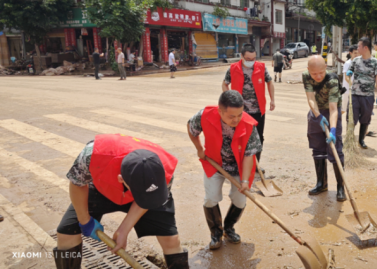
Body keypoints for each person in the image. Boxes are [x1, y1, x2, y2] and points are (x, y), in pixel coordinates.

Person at [53, 134, 188, 269]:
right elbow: (77, 184)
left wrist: (124, 229)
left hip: (145, 193)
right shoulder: (91, 155)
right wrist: (84, 220)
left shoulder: (163, 169)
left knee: (171, 240)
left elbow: (147, 201)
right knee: (66, 234)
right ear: (121, 179)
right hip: (101, 187)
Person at [187, 90, 262, 250]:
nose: (236, 120)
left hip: (239, 167)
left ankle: (229, 228)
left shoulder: (249, 125)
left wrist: (244, 181)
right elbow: (191, 127)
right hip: (214, 162)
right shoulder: (205, 115)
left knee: (240, 200)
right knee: (211, 198)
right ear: (220, 111)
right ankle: (216, 234)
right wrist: (199, 148)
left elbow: (249, 155)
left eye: (240, 114)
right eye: (231, 116)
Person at [302, 56, 346, 201]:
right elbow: (310, 98)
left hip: (331, 112)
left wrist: (332, 130)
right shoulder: (306, 76)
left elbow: (334, 108)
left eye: (321, 72)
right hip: (317, 112)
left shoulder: (332, 80)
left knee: (335, 151)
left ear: (325, 67)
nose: (318, 76)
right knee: (318, 149)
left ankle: (341, 187)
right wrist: (318, 116)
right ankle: (322, 184)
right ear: (309, 70)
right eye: (314, 74)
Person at [222, 45, 275, 164]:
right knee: (239, 137)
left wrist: (272, 100)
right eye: (248, 59)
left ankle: (255, 164)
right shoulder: (233, 68)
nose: (251, 61)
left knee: (259, 137)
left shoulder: (261, 67)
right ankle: (239, 164)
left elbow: (270, 82)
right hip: (240, 112)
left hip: (258, 110)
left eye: (253, 58)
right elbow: (225, 84)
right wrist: (229, 100)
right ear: (241, 56)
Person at [345, 37, 377, 149]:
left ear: (365, 48)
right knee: (351, 118)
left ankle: (361, 140)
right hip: (355, 95)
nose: (357, 48)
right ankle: (349, 139)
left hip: (368, 96)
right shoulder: (355, 61)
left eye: (359, 46)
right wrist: (349, 75)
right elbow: (348, 74)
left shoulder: (376, 63)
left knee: (365, 119)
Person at [342, 45, 359, 115]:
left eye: (358, 53)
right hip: (347, 91)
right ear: (350, 53)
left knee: (353, 110)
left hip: (355, 91)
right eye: (355, 53)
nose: (357, 55)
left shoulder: (359, 63)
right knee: (343, 110)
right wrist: (353, 84)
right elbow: (346, 77)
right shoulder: (348, 63)